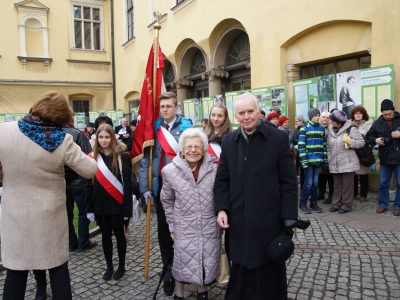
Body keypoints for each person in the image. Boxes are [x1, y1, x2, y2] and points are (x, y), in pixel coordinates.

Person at [0, 91, 97, 300]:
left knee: (16, 273)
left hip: (14, 217)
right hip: (49, 219)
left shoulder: (3, 131)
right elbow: (89, 169)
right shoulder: (62, 140)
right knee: (57, 269)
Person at [214, 93, 298, 299]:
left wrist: (288, 217)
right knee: (241, 269)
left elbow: (289, 182)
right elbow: (222, 181)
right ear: (235, 116)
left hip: (269, 221)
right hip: (239, 221)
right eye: (241, 113)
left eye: (250, 111)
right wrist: (222, 208)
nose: (247, 117)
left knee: (268, 268)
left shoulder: (277, 139)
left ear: (259, 112)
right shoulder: (228, 142)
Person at [139, 91, 191, 296]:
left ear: (176, 107)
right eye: (162, 107)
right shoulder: (152, 129)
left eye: (169, 106)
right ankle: (168, 269)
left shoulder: (187, 127)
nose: (165, 109)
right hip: (160, 188)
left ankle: (185, 268)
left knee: (184, 231)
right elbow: (145, 161)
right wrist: (144, 188)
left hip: (183, 189)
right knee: (164, 233)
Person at [161, 129, 220, 300]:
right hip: (183, 224)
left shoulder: (215, 170)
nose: (193, 150)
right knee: (182, 260)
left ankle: (202, 293)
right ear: (182, 149)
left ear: (204, 149)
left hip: (209, 224)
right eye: (189, 147)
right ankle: (178, 295)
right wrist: (172, 225)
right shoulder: (169, 171)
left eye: (197, 147)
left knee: (204, 259)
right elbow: (167, 201)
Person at [85, 124, 133, 280]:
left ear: (112, 138)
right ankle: (109, 266)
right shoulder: (92, 158)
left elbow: (128, 185)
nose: (104, 140)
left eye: (107, 137)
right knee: (105, 236)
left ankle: (121, 265)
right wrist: (89, 209)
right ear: (96, 139)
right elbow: (88, 186)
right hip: (100, 205)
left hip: (117, 205)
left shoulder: (122, 156)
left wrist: (127, 210)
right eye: (101, 137)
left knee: (119, 235)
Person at [366, 99, 400, 216]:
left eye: (389, 114)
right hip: (385, 157)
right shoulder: (378, 123)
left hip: (399, 157)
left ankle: (398, 206)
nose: (387, 116)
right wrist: (375, 140)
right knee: (383, 183)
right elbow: (369, 136)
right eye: (385, 114)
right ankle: (383, 204)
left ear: (393, 111)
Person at [326, 110, 364, 214]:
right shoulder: (331, 129)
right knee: (337, 185)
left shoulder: (351, 129)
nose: (331, 121)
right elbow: (328, 146)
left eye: (333, 120)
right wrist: (329, 158)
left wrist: (350, 142)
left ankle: (347, 205)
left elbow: (361, 143)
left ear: (339, 122)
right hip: (335, 162)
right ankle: (336, 204)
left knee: (347, 186)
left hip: (348, 162)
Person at [298, 108, 327, 214]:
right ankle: (302, 203)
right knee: (308, 183)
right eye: (315, 115)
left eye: (318, 115)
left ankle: (314, 203)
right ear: (311, 117)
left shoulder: (321, 128)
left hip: (318, 160)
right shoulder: (304, 128)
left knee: (315, 183)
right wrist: (304, 161)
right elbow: (301, 146)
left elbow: (323, 146)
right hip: (308, 161)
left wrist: (324, 160)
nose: (318, 117)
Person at [350, 106, 373, 203]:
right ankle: (354, 194)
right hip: (352, 152)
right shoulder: (350, 125)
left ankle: (363, 195)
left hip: (363, 153)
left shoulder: (369, 125)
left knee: (363, 175)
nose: (358, 115)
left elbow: (370, 138)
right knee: (353, 175)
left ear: (363, 114)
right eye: (356, 113)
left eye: (360, 113)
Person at [318, 111, 334, 204]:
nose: (325, 119)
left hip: (329, 153)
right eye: (323, 117)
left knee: (329, 176)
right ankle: (321, 192)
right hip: (320, 154)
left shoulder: (331, 128)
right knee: (321, 175)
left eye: (327, 118)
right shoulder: (319, 127)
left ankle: (331, 195)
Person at [293, 115, 305, 190]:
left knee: (305, 172)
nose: (296, 123)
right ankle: (302, 188)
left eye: (297, 121)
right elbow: (294, 139)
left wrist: (300, 141)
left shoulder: (305, 128)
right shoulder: (297, 129)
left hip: (304, 153)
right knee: (301, 171)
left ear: (301, 121)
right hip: (299, 153)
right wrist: (301, 141)